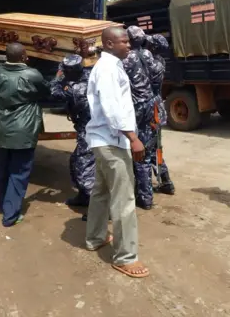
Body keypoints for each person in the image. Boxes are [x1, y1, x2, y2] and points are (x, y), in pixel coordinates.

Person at [85, 26, 149, 279]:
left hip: (104, 140)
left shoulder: (110, 66)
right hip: (113, 141)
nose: (129, 45)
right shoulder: (108, 69)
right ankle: (125, 257)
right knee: (124, 200)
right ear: (110, 44)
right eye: (124, 42)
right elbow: (112, 108)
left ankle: (95, 237)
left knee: (101, 192)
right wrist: (133, 138)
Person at [0, 42, 50, 227]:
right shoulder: (32, 74)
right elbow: (47, 90)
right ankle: (10, 216)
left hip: (0, 130)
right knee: (19, 173)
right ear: (24, 57)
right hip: (24, 131)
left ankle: (4, 205)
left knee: (2, 169)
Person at [122, 26, 162, 210]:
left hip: (135, 107)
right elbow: (157, 75)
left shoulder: (126, 58)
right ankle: (148, 195)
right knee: (148, 149)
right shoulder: (147, 54)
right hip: (150, 104)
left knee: (135, 151)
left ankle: (140, 195)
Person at [50, 55, 95, 207]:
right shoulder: (90, 75)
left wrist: (58, 75)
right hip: (93, 128)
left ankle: (99, 208)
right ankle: (84, 197)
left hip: (89, 131)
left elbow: (54, 92)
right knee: (74, 161)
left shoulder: (75, 89)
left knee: (84, 169)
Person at [145, 33, 175, 195]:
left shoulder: (152, 63)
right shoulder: (158, 61)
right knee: (155, 148)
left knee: (151, 148)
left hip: (151, 109)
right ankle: (166, 182)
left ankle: (159, 183)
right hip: (156, 107)